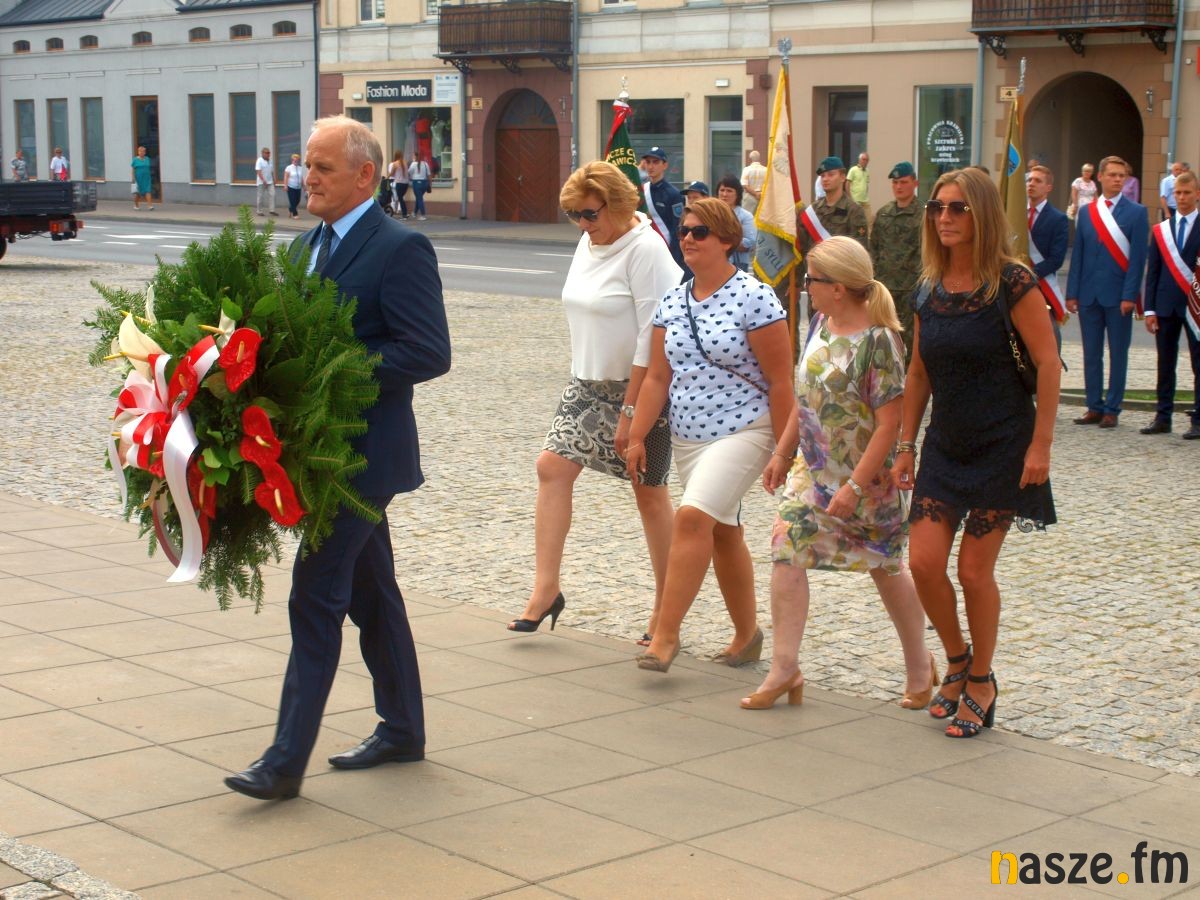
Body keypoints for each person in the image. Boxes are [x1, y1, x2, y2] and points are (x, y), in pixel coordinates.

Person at [223, 114, 451, 801]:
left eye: (322, 168)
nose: (308, 178)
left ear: (364, 175)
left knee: (315, 594)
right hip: (315, 456)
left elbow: (428, 351)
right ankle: (403, 730)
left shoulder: (401, 247)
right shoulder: (302, 249)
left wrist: (334, 370)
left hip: (365, 459)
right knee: (372, 595)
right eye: (306, 165)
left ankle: (283, 763)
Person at [893, 167, 1060, 739]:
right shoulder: (929, 288)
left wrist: (1041, 445)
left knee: (972, 570)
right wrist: (906, 444)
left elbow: (1049, 364)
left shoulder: (1012, 282)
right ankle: (958, 659)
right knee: (922, 564)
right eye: (937, 208)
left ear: (982, 213)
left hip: (1003, 443)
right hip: (946, 443)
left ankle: (982, 680)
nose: (944, 217)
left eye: (958, 208)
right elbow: (918, 373)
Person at [749, 236, 935, 711]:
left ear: (838, 287)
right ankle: (784, 668)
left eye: (812, 279)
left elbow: (890, 423)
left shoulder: (879, 341)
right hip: (813, 473)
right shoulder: (818, 323)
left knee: (885, 569)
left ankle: (920, 665)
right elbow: (804, 398)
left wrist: (854, 486)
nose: (805, 287)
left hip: (867, 482)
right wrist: (782, 452)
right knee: (786, 549)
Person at [507, 160, 680, 643]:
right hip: (587, 383)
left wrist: (632, 414)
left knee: (649, 493)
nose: (582, 224)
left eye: (589, 214)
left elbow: (653, 337)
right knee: (551, 467)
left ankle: (666, 609)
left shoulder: (647, 250)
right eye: (574, 216)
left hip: (643, 387)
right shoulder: (589, 241)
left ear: (618, 205)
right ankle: (546, 590)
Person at [626, 198, 793, 673]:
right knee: (723, 532)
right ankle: (746, 635)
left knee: (693, 518)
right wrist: (636, 436)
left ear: (727, 241)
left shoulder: (755, 297)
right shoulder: (673, 301)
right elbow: (658, 378)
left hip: (745, 429)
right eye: (684, 230)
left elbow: (781, 381)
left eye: (699, 232)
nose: (688, 239)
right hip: (688, 437)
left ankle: (665, 635)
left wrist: (785, 451)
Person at [1065, 155, 1149, 428]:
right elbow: (1078, 255)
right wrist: (1072, 293)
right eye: (1112, 175)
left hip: (1118, 296)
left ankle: (1112, 408)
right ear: (1100, 177)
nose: (1117, 180)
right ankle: (1094, 406)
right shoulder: (1088, 212)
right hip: (1088, 294)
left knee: (1118, 354)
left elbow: (1137, 260)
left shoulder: (1137, 213)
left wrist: (1129, 295)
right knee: (1091, 354)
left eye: (1121, 176)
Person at [1140, 171, 1200, 440]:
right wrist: (1150, 309)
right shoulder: (1162, 230)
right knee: (1165, 363)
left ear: (1197, 194)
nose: (1182, 197)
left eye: (1187, 193)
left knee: (1199, 364)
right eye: (1178, 193)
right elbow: (1153, 272)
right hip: (1165, 306)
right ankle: (1163, 417)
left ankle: (1198, 419)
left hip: (1196, 305)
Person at [870, 161, 922, 358]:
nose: (899, 187)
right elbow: (874, 248)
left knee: (912, 342)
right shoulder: (884, 214)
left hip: (911, 289)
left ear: (915, 183)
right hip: (886, 290)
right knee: (883, 340)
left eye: (903, 182)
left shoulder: (924, 214)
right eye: (895, 182)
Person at [798, 156, 869, 255]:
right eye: (823, 176)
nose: (825, 179)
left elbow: (859, 251)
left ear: (843, 177)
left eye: (831, 175)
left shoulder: (854, 211)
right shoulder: (813, 210)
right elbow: (803, 247)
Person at [1026, 164, 1070, 321]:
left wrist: (1029, 275)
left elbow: (1056, 259)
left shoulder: (1058, 219)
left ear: (1048, 188)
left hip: (1041, 284)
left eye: (1038, 181)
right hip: (1013, 285)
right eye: (1030, 180)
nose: (1031, 184)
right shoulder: (1016, 214)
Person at [640, 146, 685, 273]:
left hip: (666, 251)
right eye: (648, 162)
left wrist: (675, 260)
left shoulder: (674, 194)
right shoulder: (642, 191)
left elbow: (677, 229)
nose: (650, 166)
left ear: (665, 165)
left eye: (655, 162)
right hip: (645, 250)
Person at [716, 175, 756, 272]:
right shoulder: (710, 214)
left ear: (737, 194)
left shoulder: (746, 216)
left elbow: (750, 243)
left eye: (729, 191)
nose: (724, 194)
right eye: (722, 190)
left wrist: (723, 240)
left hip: (738, 265)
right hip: (713, 262)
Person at [846, 152, 871, 226]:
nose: (865, 161)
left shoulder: (867, 171)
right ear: (859, 160)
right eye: (863, 159)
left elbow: (866, 184)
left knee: (869, 220)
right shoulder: (853, 170)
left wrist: (866, 193)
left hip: (865, 200)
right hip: (855, 200)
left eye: (867, 160)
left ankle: (868, 233)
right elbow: (847, 184)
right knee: (855, 221)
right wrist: (850, 198)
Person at [740, 149, 767, 214]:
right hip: (762, 197)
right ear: (759, 158)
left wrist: (755, 194)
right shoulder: (766, 170)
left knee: (747, 217)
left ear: (750, 158)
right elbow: (768, 184)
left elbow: (744, 185)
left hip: (749, 197)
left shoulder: (746, 169)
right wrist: (759, 194)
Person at [407, 155, 431, 221]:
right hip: (424, 183)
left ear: (415, 157)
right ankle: (414, 212)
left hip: (416, 183)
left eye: (413, 156)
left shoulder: (413, 164)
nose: (412, 157)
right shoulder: (425, 164)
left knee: (419, 199)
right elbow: (429, 175)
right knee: (418, 198)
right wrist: (430, 184)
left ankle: (423, 215)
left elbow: (409, 172)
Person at [389, 150, 410, 219]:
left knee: (400, 199)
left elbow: (392, 173)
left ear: (396, 156)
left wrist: (387, 177)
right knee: (401, 198)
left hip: (399, 183)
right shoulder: (405, 162)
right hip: (406, 183)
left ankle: (405, 214)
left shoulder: (395, 164)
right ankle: (405, 213)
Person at [283, 153, 306, 220]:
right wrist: (285, 185)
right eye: (294, 160)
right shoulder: (289, 168)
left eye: (297, 160)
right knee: (292, 201)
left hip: (298, 187)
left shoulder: (300, 168)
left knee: (297, 201)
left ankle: (290, 209)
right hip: (291, 187)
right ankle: (295, 214)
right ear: (292, 160)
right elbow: (286, 177)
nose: (296, 161)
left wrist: (304, 186)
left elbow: (301, 178)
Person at [256, 148, 277, 216]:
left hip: (270, 181)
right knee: (260, 196)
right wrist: (263, 180)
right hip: (261, 182)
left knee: (273, 195)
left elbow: (271, 171)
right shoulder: (259, 160)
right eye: (266, 153)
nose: (268, 154)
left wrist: (274, 179)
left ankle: (272, 210)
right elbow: (258, 171)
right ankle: (259, 211)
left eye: (269, 153)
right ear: (262, 153)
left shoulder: (270, 161)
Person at [131, 146, 153, 210]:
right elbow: (133, 169)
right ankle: (136, 205)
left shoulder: (147, 159)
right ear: (138, 152)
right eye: (140, 151)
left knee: (148, 190)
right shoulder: (135, 159)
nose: (142, 152)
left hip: (147, 177)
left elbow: (148, 167)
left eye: (143, 151)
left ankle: (150, 206)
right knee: (138, 193)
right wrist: (133, 178)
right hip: (138, 178)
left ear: (145, 152)